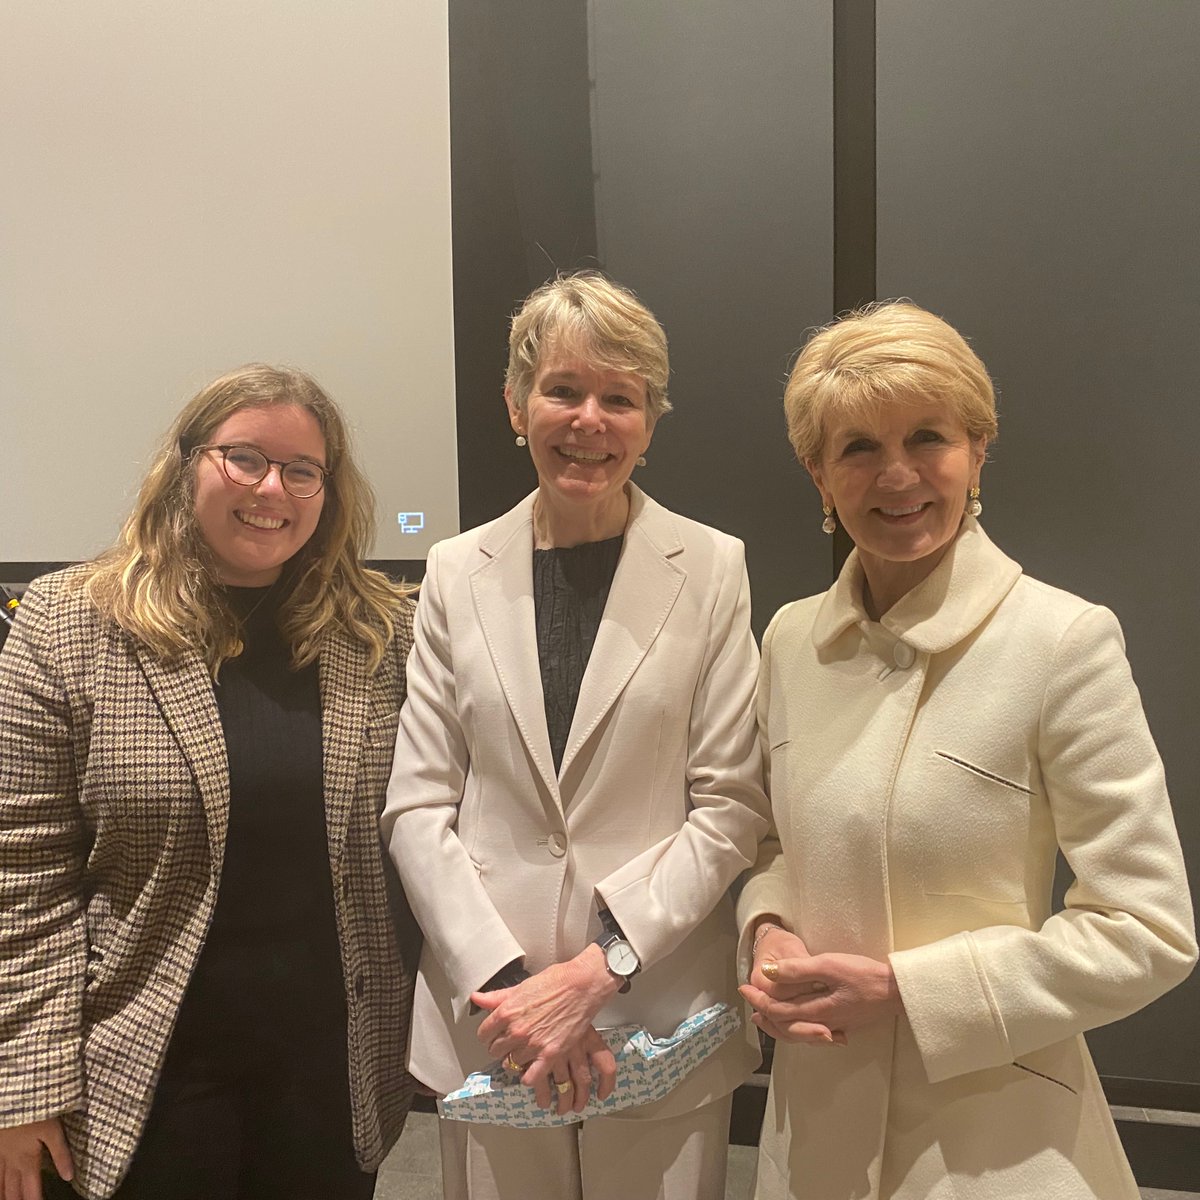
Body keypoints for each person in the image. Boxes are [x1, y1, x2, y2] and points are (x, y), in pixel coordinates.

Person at [738, 301, 1197, 1199]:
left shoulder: (1062, 640)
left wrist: (910, 994)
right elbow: (773, 844)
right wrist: (766, 925)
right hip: (815, 1131)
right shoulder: (791, 639)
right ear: (817, 474)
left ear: (979, 449)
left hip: (993, 1145)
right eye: (858, 448)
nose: (897, 475)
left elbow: (1149, 930)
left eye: (929, 437)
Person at [381, 272, 770, 1200]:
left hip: (656, 1007)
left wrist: (598, 973)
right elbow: (418, 804)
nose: (588, 418)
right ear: (516, 407)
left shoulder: (713, 567)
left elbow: (730, 806)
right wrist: (517, 991)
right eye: (562, 390)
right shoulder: (452, 570)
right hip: (495, 1021)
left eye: (620, 397)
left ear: (650, 418)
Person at [0, 365, 419, 1200]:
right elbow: (22, 875)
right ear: (186, 464)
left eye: (303, 470)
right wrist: (24, 1083)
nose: (274, 488)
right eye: (245, 459)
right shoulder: (67, 623)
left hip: (329, 1076)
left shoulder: (387, 634)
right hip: (138, 1072)